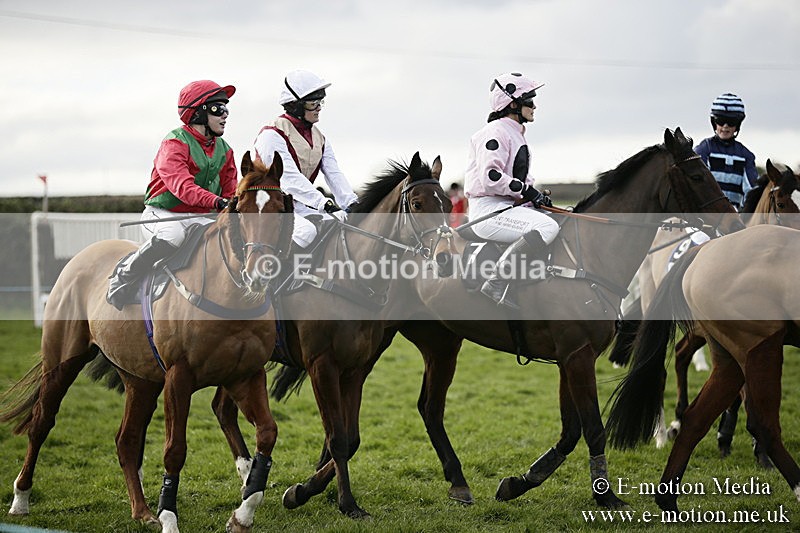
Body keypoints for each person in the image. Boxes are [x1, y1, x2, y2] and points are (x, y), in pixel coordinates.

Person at [107, 80, 237, 310]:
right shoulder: (174, 143)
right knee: (173, 236)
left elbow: (230, 190)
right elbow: (183, 188)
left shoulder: (225, 149)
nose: (225, 115)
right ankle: (125, 275)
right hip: (164, 215)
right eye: (218, 109)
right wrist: (217, 201)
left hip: (202, 217)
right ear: (197, 113)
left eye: (226, 108)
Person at [465, 72, 559, 309]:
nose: (534, 105)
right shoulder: (495, 131)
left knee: (559, 219)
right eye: (529, 100)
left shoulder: (515, 134)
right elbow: (491, 177)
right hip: (487, 212)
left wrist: (535, 199)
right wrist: (529, 193)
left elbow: (517, 185)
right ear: (513, 104)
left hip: (505, 209)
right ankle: (496, 282)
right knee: (548, 227)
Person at [253, 70, 358, 248]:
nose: (319, 107)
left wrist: (352, 202)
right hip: (267, 204)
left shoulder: (320, 138)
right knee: (306, 232)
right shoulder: (272, 135)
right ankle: (277, 274)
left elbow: (334, 173)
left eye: (320, 102)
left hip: (299, 205)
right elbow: (288, 177)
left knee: (337, 227)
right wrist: (324, 203)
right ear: (295, 105)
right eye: (313, 103)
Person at [694, 93, 757, 210]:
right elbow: (698, 186)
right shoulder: (703, 150)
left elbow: (750, 191)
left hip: (734, 217)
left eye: (731, 122)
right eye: (721, 120)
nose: (725, 126)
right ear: (714, 122)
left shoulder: (746, 156)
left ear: (738, 125)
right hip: (706, 214)